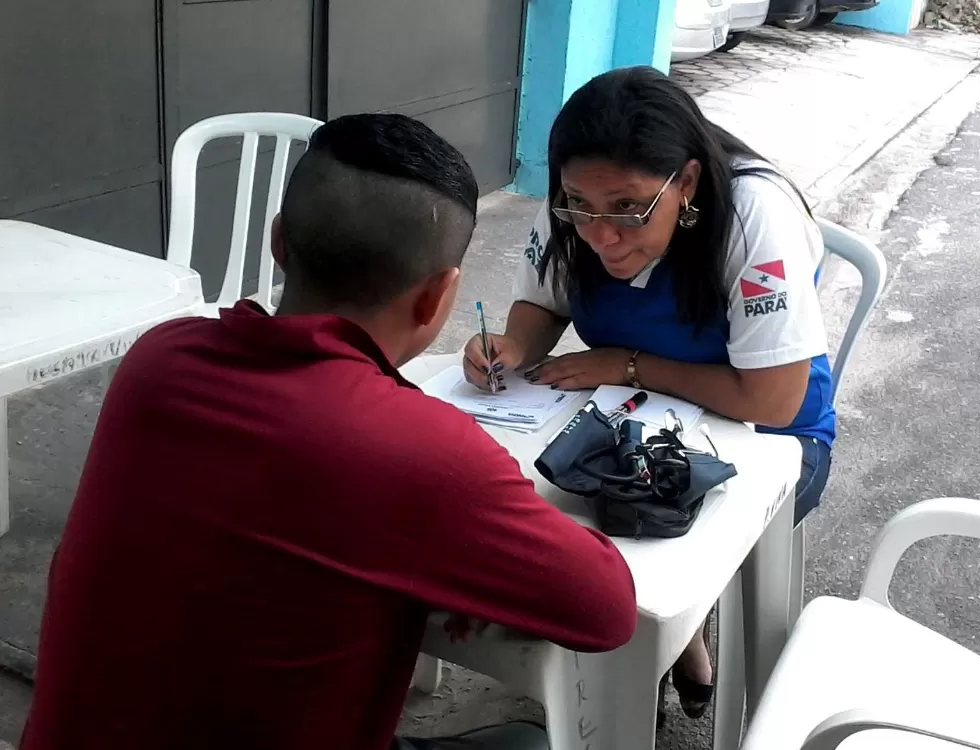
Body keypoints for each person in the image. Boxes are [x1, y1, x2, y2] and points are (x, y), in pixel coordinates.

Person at [21, 113, 638, 750]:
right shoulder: (420, 452)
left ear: (279, 241)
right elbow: (605, 609)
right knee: (531, 742)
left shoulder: (159, 359)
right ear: (438, 297)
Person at [462, 66, 834, 724]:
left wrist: (627, 365)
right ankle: (656, 659)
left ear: (684, 183)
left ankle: (643, 672)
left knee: (630, 537)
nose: (601, 233)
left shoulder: (753, 213)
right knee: (537, 503)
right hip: (634, 419)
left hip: (769, 443)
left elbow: (773, 400)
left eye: (629, 209)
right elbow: (541, 304)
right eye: (578, 204)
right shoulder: (581, 202)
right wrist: (513, 346)